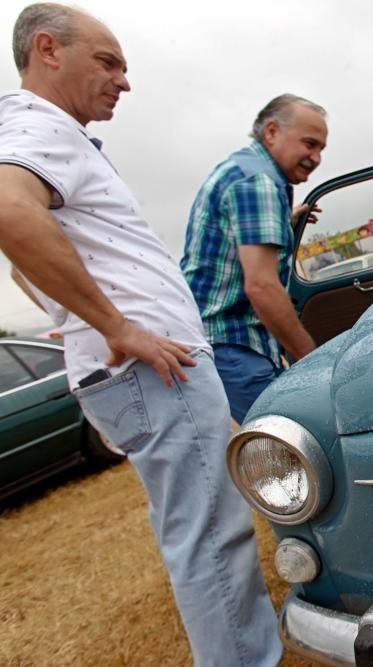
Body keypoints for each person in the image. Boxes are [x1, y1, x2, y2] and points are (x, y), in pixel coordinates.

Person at [0, 5, 282, 665]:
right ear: (47, 50)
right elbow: (12, 218)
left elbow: (21, 264)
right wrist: (115, 324)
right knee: (214, 535)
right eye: (107, 61)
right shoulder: (39, 127)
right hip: (155, 369)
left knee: (199, 531)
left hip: (144, 369)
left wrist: (88, 322)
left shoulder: (49, 135)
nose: (123, 81)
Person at [181, 94, 327, 424]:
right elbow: (261, 285)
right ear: (272, 131)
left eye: (321, 149)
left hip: (218, 341)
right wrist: (312, 359)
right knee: (298, 433)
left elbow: (231, 247)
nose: (316, 157)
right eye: (309, 143)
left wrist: (283, 221)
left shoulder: (244, 169)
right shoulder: (258, 183)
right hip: (232, 343)